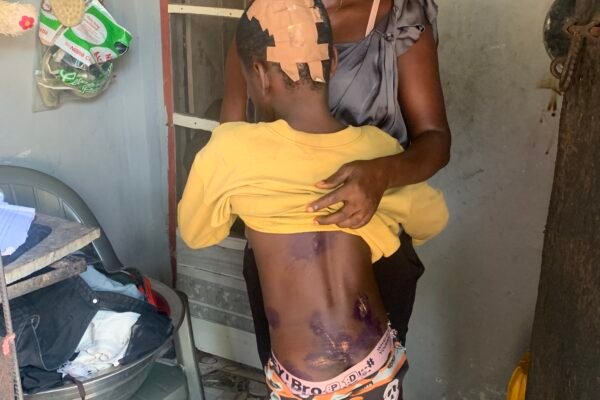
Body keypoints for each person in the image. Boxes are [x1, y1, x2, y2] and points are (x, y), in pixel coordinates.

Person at [178, 1, 448, 398]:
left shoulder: (228, 151)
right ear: (333, 61)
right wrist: (380, 220)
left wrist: (261, 204)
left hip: (302, 378)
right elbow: (432, 218)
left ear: (258, 75)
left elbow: (197, 230)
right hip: (375, 362)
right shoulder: (376, 147)